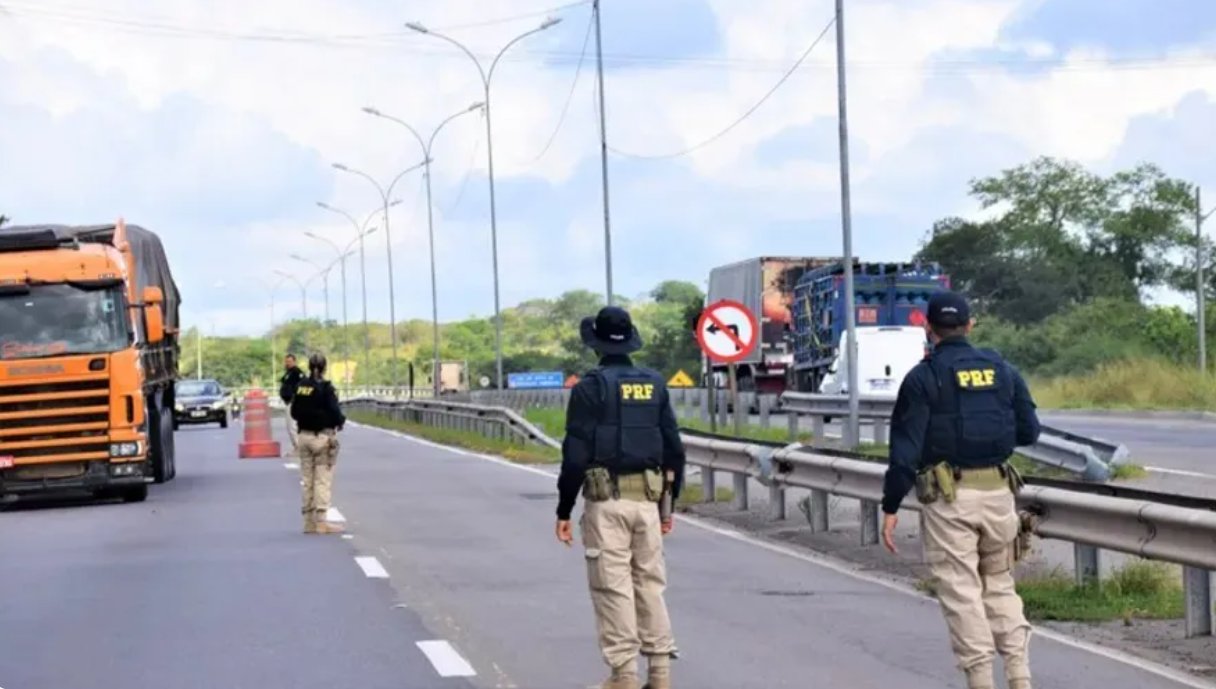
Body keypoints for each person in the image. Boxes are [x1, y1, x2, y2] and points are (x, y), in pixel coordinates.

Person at [880, 291, 1041, 689]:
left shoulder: (924, 376)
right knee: (1000, 585)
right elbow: (1029, 431)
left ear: (928, 328)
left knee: (962, 591)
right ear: (970, 326)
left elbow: (905, 452)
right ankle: (1020, 677)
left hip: (950, 500)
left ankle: (981, 681)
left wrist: (891, 505)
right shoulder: (1003, 369)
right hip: (1000, 495)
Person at [555, 306, 686, 689]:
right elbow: (673, 448)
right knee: (650, 586)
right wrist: (668, 506)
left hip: (606, 503)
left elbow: (575, 455)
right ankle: (660, 676)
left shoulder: (589, 388)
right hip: (648, 504)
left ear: (595, 343)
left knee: (612, 588)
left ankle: (624, 677)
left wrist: (564, 509)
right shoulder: (655, 383)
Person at [290, 353, 346, 535]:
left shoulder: (301, 387)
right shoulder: (326, 388)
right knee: (322, 479)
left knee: (307, 480)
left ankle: (308, 523)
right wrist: (339, 421)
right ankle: (321, 522)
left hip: (303, 437)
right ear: (324, 368)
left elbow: (294, 412)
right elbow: (336, 413)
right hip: (322, 438)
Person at [279, 354, 304, 458]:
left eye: (290, 361)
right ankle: (297, 447)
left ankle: (298, 448)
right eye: (286, 361)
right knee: (291, 426)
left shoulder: (298, 372)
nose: (287, 363)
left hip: (294, 402)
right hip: (288, 402)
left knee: (291, 426)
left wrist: (296, 397)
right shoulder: (288, 373)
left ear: (294, 361)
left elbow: (303, 385)